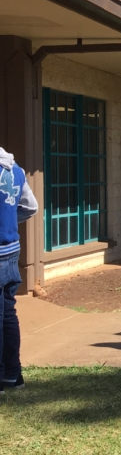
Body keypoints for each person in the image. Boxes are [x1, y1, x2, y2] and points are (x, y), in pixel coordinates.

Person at [0, 146, 37, 395]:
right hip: (11, 249)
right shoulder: (16, 169)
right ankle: (12, 375)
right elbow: (30, 207)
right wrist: (10, 218)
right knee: (7, 313)